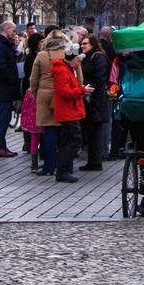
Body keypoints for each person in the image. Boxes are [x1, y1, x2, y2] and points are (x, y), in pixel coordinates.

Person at [30, 30, 79, 177]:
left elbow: (33, 79)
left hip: (45, 94)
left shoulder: (42, 55)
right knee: (67, 133)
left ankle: (48, 166)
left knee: (49, 131)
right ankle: (67, 167)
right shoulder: (70, 53)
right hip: (65, 94)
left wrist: (35, 92)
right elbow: (78, 74)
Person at [52, 39, 93, 183]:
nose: (79, 63)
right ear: (73, 59)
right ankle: (62, 171)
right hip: (67, 111)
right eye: (78, 60)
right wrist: (83, 90)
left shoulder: (66, 69)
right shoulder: (62, 71)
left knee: (67, 140)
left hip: (69, 111)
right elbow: (65, 93)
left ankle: (62, 170)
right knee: (74, 140)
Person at [79, 34, 111, 171]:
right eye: (81, 44)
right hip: (88, 98)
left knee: (94, 130)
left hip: (94, 99)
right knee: (90, 130)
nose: (82, 46)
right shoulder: (84, 57)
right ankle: (93, 160)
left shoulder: (97, 57)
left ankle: (95, 161)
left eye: (85, 44)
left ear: (93, 44)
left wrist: (91, 89)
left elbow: (100, 77)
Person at [0, 20, 21, 158]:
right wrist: (12, 79)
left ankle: (1, 146)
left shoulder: (2, 45)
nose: (15, 34)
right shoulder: (0, 46)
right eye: (13, 31)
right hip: (4, 87)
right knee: (3, 117)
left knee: (4, 116)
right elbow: (1, 67)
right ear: (7, 29)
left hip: (4, 86)